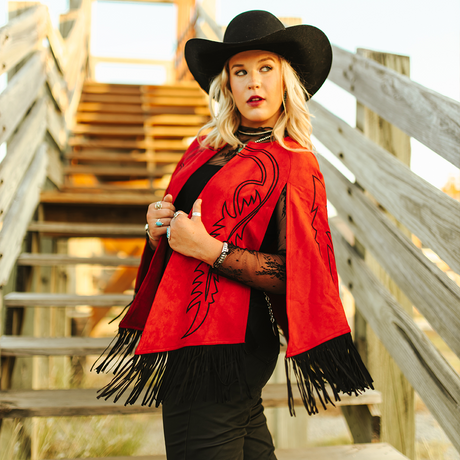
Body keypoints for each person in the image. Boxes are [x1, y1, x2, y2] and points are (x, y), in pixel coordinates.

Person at [94, 10, 373, 459]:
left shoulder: (294, 162)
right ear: (227, 83)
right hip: (189, 330)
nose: (252, 82)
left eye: (266, 68)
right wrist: (157, 228)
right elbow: (180, 231)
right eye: (240, 71)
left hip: (228, 345)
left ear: (286, 80)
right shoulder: (205, 146)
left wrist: (211, 251)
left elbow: (298, 274)